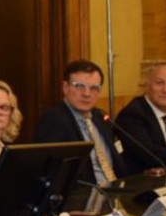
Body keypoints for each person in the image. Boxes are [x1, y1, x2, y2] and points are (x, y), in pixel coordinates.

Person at [32, 59, 127, 187]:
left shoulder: (99, 117)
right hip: (82, 199)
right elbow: (53, 174)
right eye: (79, 86)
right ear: (65, 88)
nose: (87, 94)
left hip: (116, 191)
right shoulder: (54, 120)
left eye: (94, 88)